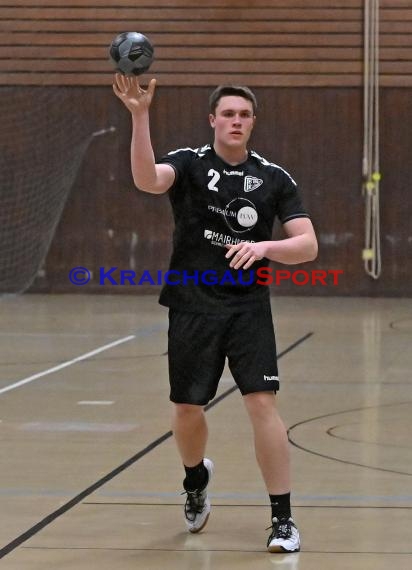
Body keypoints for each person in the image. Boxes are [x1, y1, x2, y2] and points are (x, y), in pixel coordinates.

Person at [113, 73, 318, 553]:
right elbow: (146, 179)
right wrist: (140, 116)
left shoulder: (273, 177)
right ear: (212, 120)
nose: (236, 121)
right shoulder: (188, 164)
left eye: (244, 115)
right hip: (191, 304)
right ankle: (195, 480)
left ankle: (283, 520)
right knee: (187, 408)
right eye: (228, 113)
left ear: (253, 124)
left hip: (247, 307)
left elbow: (306, 245)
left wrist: (265, 245)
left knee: (261, 404)